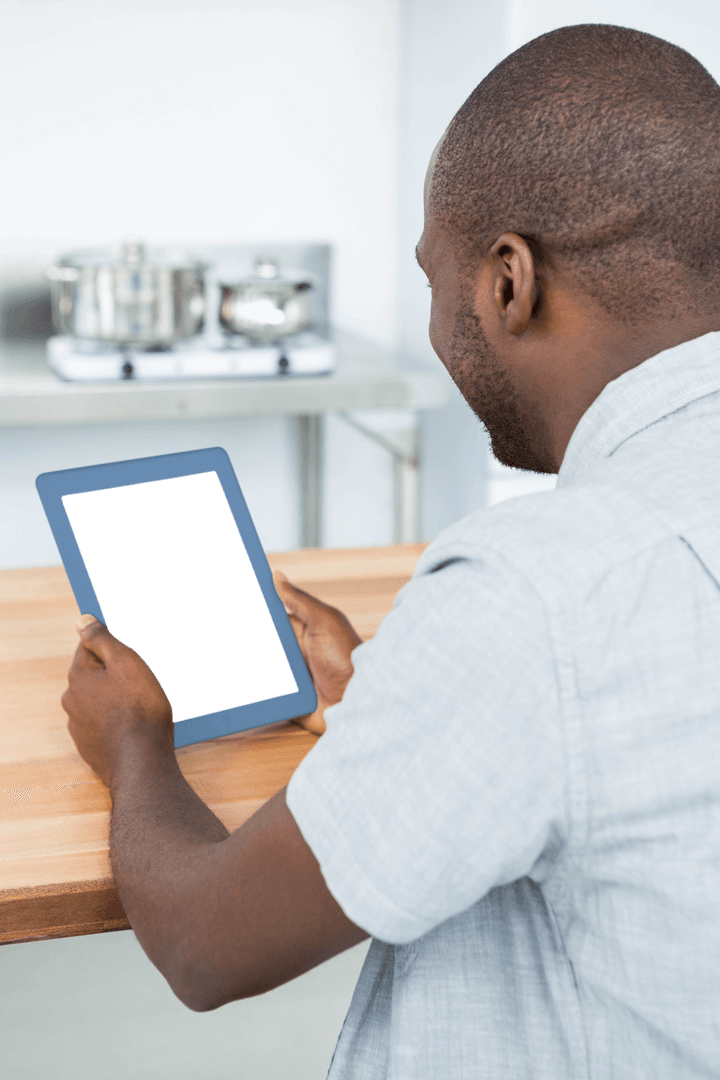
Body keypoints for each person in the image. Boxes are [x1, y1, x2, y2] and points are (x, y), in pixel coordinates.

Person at [61, 23, 720, 1078]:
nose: (433, 316)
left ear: (509, 281)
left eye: (434, 279)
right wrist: (400, 687)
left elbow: (204, 943)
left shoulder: (536, 594)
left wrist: (131, 743)